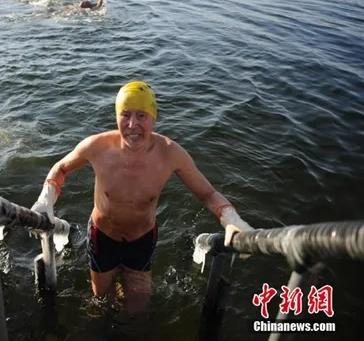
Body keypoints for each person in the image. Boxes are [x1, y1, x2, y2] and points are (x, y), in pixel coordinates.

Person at [31, 80, 254, 315]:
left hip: (142, 239)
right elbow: (61, 168)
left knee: (138, 306)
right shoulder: (97, 147)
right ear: (116, 116)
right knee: (101, 301)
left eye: (141, 116)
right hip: (102, 236)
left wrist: (232, 219)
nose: (132, 125)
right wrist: (46, 200)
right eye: (125, 115)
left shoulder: (170, 153)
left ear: (154, 118)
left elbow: (207, 194)